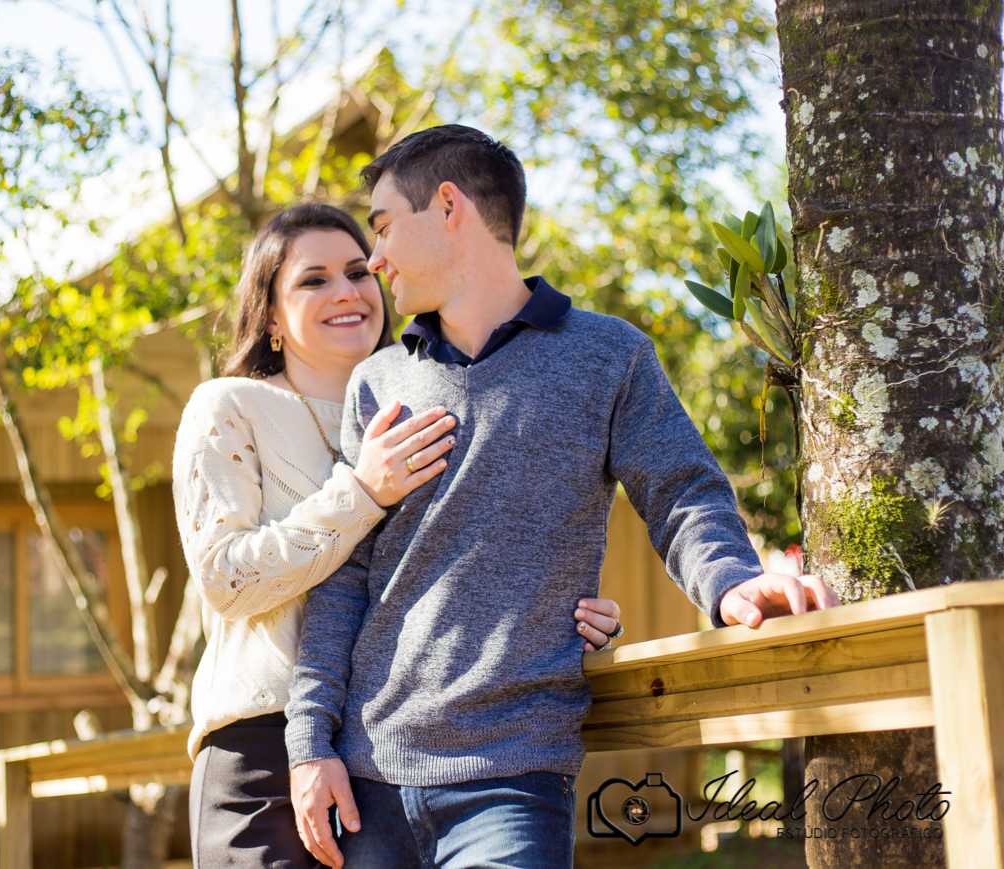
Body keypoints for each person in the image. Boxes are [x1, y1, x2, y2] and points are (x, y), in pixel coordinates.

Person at [284, 126, 841, 869]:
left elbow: (681, 493)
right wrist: (309, 743)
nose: (374, 259)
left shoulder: (608, 354)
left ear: (448, 206)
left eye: (383, 229)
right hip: (367, 780)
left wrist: (732, 582)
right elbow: (346, 576)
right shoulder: (379, 381)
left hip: (512, 777)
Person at [172, 202, 623, 869]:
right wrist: (360, 492)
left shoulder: (423, 397)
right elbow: (226, 581)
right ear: (269, 314)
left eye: (358, 271)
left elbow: (466, 560)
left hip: (384, 752)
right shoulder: (229, 406)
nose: (348, 291)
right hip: (262, 745)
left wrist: (569, 613)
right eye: (313, 279)